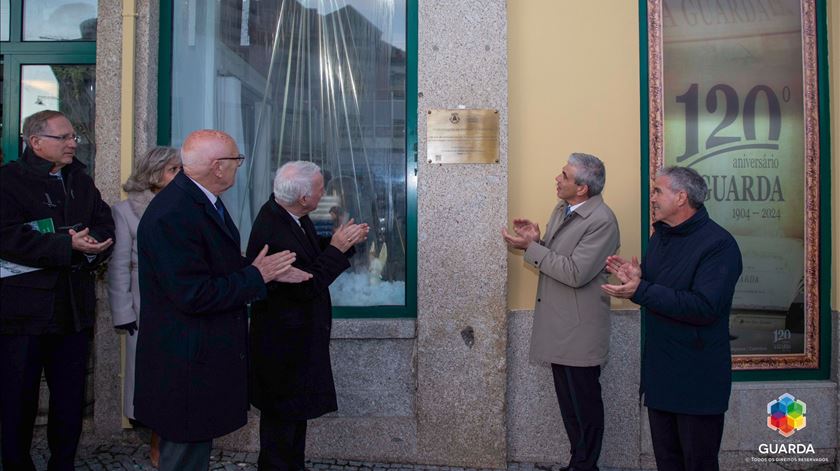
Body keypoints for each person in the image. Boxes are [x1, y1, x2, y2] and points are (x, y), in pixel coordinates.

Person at [134, 130, 312, 471]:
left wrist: (263, 273)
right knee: (183, 459)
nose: (238, 167)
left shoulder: (200, 201)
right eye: (236, 160)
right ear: (218, 167)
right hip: (185, 362)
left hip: (198, 359)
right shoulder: (174, 212)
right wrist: (255, 276)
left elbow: (214, 267)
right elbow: (192, 293)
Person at [601, 166, 742, 471]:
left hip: (697, 380)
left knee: (698, 463)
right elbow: (661, 290)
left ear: (681, 197)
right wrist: (638, 277)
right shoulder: (660, 237)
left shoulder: (719, 245)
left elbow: (704, 306)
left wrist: (642, 289)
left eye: (657, 191)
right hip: (661, 376)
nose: (651, 197)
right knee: (667, 462)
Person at [0, 110, 115, 470]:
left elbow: (102, 221)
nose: (72, 143)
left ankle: (63, 464)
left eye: (73, 137)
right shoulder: (7, 181)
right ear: (35, 142)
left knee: (70, 400)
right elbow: (7, 237)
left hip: (73, 309)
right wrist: (66, 247)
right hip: (22, 314)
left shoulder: (80, 179)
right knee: (18, 400)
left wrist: (94, 244)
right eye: (63, 138)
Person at [247, 161, 368, 471]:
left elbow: (311, 256)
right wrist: (337, 249)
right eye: (319, 188)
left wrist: (344, 244)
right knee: (280, 432)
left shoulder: (291, 215)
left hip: (293, 345)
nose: (323, 192)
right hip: (282, 348)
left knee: (293, 425)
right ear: (302, 198)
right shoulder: (274, 229)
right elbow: (306, 285)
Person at [503, 153, 619, 471]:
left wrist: (533, 249)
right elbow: (557, 257)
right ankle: (577, 462)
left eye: (565, 175)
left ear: (582, 188)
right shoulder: (563, 209)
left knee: (585, 406)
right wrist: (536, 240)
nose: (557, 178)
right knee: (569, 406)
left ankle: (586, 465)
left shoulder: (602, 221)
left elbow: (575, 272)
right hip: (559, 326)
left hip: (579, 331)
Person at [107, 146, 181, 466]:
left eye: (181, 169)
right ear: (154, 174)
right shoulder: (125, 211)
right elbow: (119, 265)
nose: (179, 175)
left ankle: (178, 438)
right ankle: (155, 437)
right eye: (172, 170)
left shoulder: (185, 206)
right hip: (143, 304)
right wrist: (123, 311)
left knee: (179, 375)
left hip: (182, 302)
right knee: (150, 377)